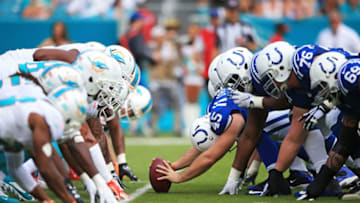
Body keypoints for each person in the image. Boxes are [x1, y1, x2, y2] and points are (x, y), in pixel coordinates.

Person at [298, 57, 360, 200]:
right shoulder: (347, 97)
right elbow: (345, 143)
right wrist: (321, 182)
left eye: (323, 84)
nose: (321, 91)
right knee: (338, 123)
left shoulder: (350, 83)